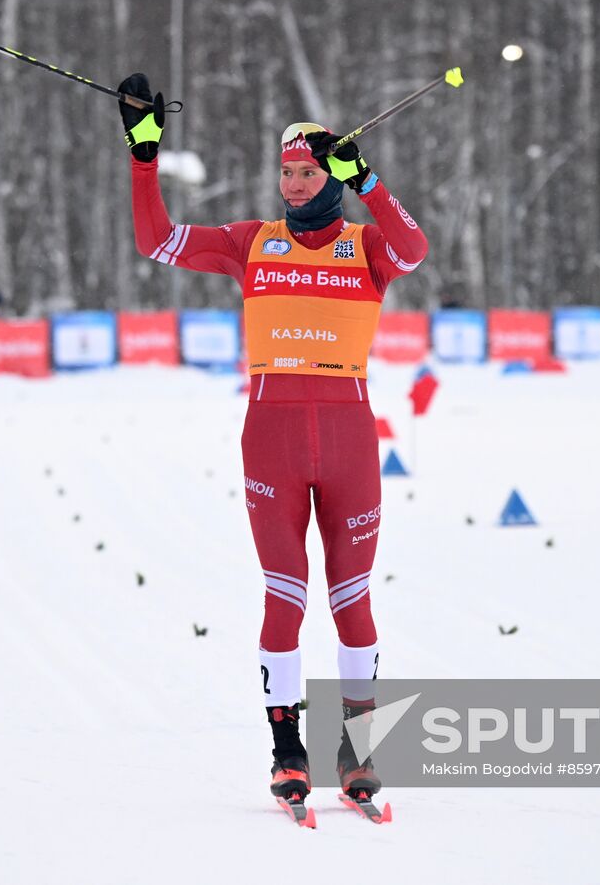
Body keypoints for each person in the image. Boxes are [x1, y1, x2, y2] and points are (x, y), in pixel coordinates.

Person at [118, 73, 429, 807]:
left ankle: (357, 751)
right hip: (273, 441)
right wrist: (143, 155)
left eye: (305, 171)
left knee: (351, 600)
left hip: (350, 442)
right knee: (284, 597)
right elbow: (156, 241)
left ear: (333, 176)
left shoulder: (367, 247)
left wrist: (372, 183)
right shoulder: (249, 242)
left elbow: (415, 249)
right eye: (285, 171)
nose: (291, 183)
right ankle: (288, 751)